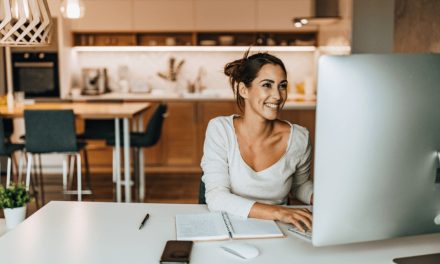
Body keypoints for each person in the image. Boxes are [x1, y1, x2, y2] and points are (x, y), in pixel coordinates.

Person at [201, 50, 313, 232]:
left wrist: (317, 196)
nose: (278, 96)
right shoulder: (221, 130)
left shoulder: (299, 138)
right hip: (230, 226)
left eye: (282, 85)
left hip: (280, 230)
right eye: (267, 85)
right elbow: (216, 197)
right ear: (243, 89)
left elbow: (299, 184)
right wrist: (278, 212)